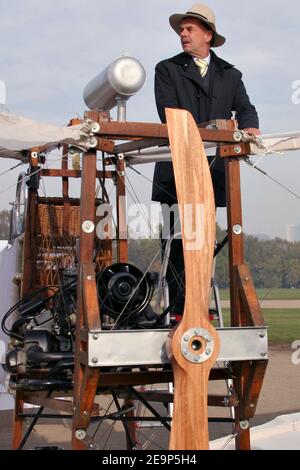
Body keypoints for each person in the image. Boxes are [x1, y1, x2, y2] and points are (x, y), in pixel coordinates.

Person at [152, 3, 260, 322]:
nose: (183, 35)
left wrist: (250, 127)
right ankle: (178, 312)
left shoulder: (230, 74)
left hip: (214, 172)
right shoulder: (167, 69)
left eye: (189, 29)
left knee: (204, 239)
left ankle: (202, 306)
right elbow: (170, 114)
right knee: (176, 239)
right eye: (181, 30)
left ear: (207, 35)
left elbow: (246, 109)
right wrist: (214, 126)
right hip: (176, 172)